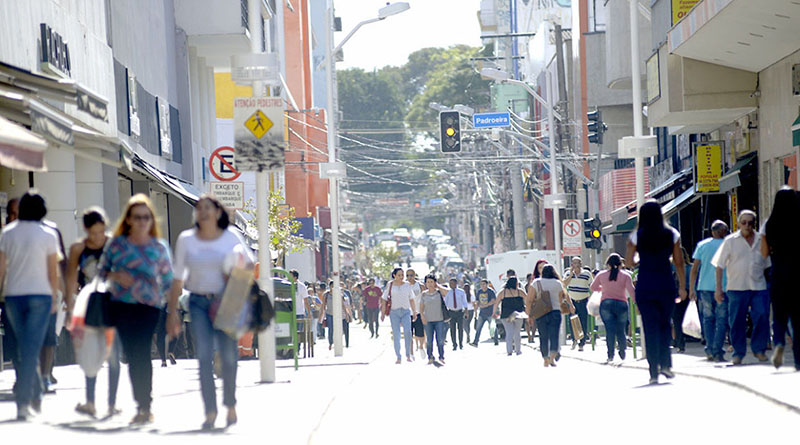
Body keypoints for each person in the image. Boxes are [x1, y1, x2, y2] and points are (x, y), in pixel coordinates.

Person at [166, 195, 252, 429]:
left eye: (208, 208)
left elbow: (250, 264)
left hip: (227, 301)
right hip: (198, 303)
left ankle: (230, 404)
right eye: (199, 208)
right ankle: (211, 411)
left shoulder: (231, 236)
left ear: (217, 212)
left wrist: (234, 276)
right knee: (204, 356)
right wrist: (172, 311)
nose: (203, 212)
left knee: (228, 355)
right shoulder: (187, 240)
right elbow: (177, 277)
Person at [99, 194, 173, 424]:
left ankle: (144, 405)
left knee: (141, 353)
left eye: (146, 217)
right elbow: (99, 271)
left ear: (152, 220)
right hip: (121, 306)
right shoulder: (117, 244)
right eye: (137, 217)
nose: (142, 221)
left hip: (149, 307)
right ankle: (141, 404)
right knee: (132, 355)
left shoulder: (158, 247)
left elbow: (169, 279)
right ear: (128, 219)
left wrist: (174, 312)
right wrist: (115, 275)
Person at [0, 192, 61, 420]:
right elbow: (52, 271)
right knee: (30, 348)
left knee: (26, 347)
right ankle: (25, 401)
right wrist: (54, 298)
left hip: (13, 297)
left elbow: (1, 268)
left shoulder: (7, 234)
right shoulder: (48, 235)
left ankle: (34, 395)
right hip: (40, 296)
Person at [67, 207, 122, 417]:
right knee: (90, 352)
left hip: (113, 303)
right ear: (85, 229)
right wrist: (70, 306)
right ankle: (90, 402)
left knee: (114, 354)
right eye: (93, 233)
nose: (98, 237)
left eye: (101, 231)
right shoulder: (78, 249)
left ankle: (111, 403)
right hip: (89, 305)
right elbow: (71, 277)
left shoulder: (113, 245)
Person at [626, 200, 686, 384]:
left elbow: (628, 262)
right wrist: (683, 286)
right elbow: (679, 261)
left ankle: (653, 372)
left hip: (645, 285)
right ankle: (666, 364)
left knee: (649, 328)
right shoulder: (672, 234)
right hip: (665, 284)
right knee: (664, 325)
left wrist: (639, 260)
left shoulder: (636, 236)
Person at [711, 210, 770, 366]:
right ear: (738, 224)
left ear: (754, 224)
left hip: (758, 285)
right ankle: (738, 353)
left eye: (750, 223)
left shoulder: (761, 239)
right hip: (736, 287)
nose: (747, 226)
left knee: (762, 316)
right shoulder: (730, 241)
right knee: (737, 321)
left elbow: (768, 264)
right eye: (744, 222)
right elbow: (719, 265)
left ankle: (759, 349)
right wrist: (718, 289)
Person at [761, 188, 800, 370]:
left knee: (779, 315)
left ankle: (779, 343)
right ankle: (798, 359)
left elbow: (764, 253)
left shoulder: (770, 224)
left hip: (778, 274)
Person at [689, 220, 729, 362]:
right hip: (723, 287)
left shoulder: (702, 245)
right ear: (722, 231)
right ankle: (717, 349)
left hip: (704, 287)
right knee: (721, 319)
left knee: (707, 319)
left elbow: (694, 269)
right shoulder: (727, 244)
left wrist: (691, 288)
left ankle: (710, 349)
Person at [590, 254, 635, 363]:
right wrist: (636, 303)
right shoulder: (625, 276)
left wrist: (603, 288)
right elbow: (632, 291)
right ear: (620, 264)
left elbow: (592, 287)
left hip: (606, 304)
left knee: (609, 330)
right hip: (622, 304)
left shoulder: (601, 275)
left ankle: (610, 354)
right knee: (621, 329)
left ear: (608, 264)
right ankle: (622, 350)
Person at [530, 265, 573, 366]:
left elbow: (529, 299)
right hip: (555, 312)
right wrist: (570, 306)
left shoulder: (537, 283)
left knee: (543, 336)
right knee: (554, 335)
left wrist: (529, 314)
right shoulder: (557, 283)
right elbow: (562, 297)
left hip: (541, 313)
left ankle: (545, 358)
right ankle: (552, 358)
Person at [380, 267, 417, 364]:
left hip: (405, 311)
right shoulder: (390, 285)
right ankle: (398, 356)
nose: (401, 277)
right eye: (399, 275)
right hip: (394, 312)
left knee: (408, 332)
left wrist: (414, 312)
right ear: (394, 275)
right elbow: (384, 299)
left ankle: (408, 355)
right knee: (396, 334)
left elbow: (412, 299)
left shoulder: (407, 285)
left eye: (402, 275)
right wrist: (383, 313)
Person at [493, 277, 527, 356]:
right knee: (517, 333)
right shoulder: (520, 291)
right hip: (518, 314)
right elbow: (528, 300)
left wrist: (494, 313)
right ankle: (518, 350)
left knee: (509, 333)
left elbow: (496, 303)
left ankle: (509, 350)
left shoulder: (503, 292)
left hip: (506, 315)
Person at [563, 257, 592, 351]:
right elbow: (564, 284)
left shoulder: (586, 274)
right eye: (573, 263)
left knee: (583, 321)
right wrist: (571, 275)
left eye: (577, 263)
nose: (575, 265)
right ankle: (574, 339)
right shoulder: (568, 273)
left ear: (581, 264)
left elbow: (591, 285)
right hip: (572, 301)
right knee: (572, 321)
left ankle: (582, 343)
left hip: (583, 300)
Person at [419, 274, 447, 364]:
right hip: (428, 320)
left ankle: (441, 356)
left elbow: (447, 292)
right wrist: (422, 317)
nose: (430, 284)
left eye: (432, 282)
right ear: (425, 283)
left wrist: (438, 285)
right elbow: (421, 308)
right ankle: (430, 356)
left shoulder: (439, 292)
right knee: (429, 340)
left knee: (440, 340)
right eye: (428, 282)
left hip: (439, 319)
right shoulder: (423, 294)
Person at [319, 280, 353, 350]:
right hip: (329, 314)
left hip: (338, 314)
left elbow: (343, 305)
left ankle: (339, 342)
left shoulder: (339, 294)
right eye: (331, 286)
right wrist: (321, 315)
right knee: (331, 329)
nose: (332, 288)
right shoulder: (326, 294)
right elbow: (323, 305)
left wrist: (346, 314)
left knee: (339, 329)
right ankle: (331, 343)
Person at [444, 278, 469, 350]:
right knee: (452, 329)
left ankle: (461, 343)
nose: (451, 285)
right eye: (450, 283)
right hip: (451, 312)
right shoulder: (448, 292)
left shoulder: (461, 292)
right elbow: (446, 303)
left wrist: (466, 311)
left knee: (460, 328)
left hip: (459, 312)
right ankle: (454, 344)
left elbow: (464, 302)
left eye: (452, 283)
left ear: (456, 284)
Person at [406, 269, 426, 359]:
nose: (409, 277)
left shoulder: (420, 285)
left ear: (414, 275)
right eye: (407, 275)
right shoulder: (404, 286)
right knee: (409, 334)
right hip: (407, 313)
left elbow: (426, 298)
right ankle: (411, 353)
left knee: (420, 334)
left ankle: (421, 347)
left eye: (411, 275)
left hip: (418, 312)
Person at [471, 279, 497, 346]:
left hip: (490, 312)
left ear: (487, 284)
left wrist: (485, 305)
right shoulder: (479, 291)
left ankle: (496, 340)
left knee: (493, 327)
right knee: (478, 328)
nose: (482, 285)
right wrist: (476, 307)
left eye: (484, 284)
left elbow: (493, 301)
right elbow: (477, 301)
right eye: (481, 284)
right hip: (482, 313)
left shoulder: (490, 291)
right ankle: (475, 342)